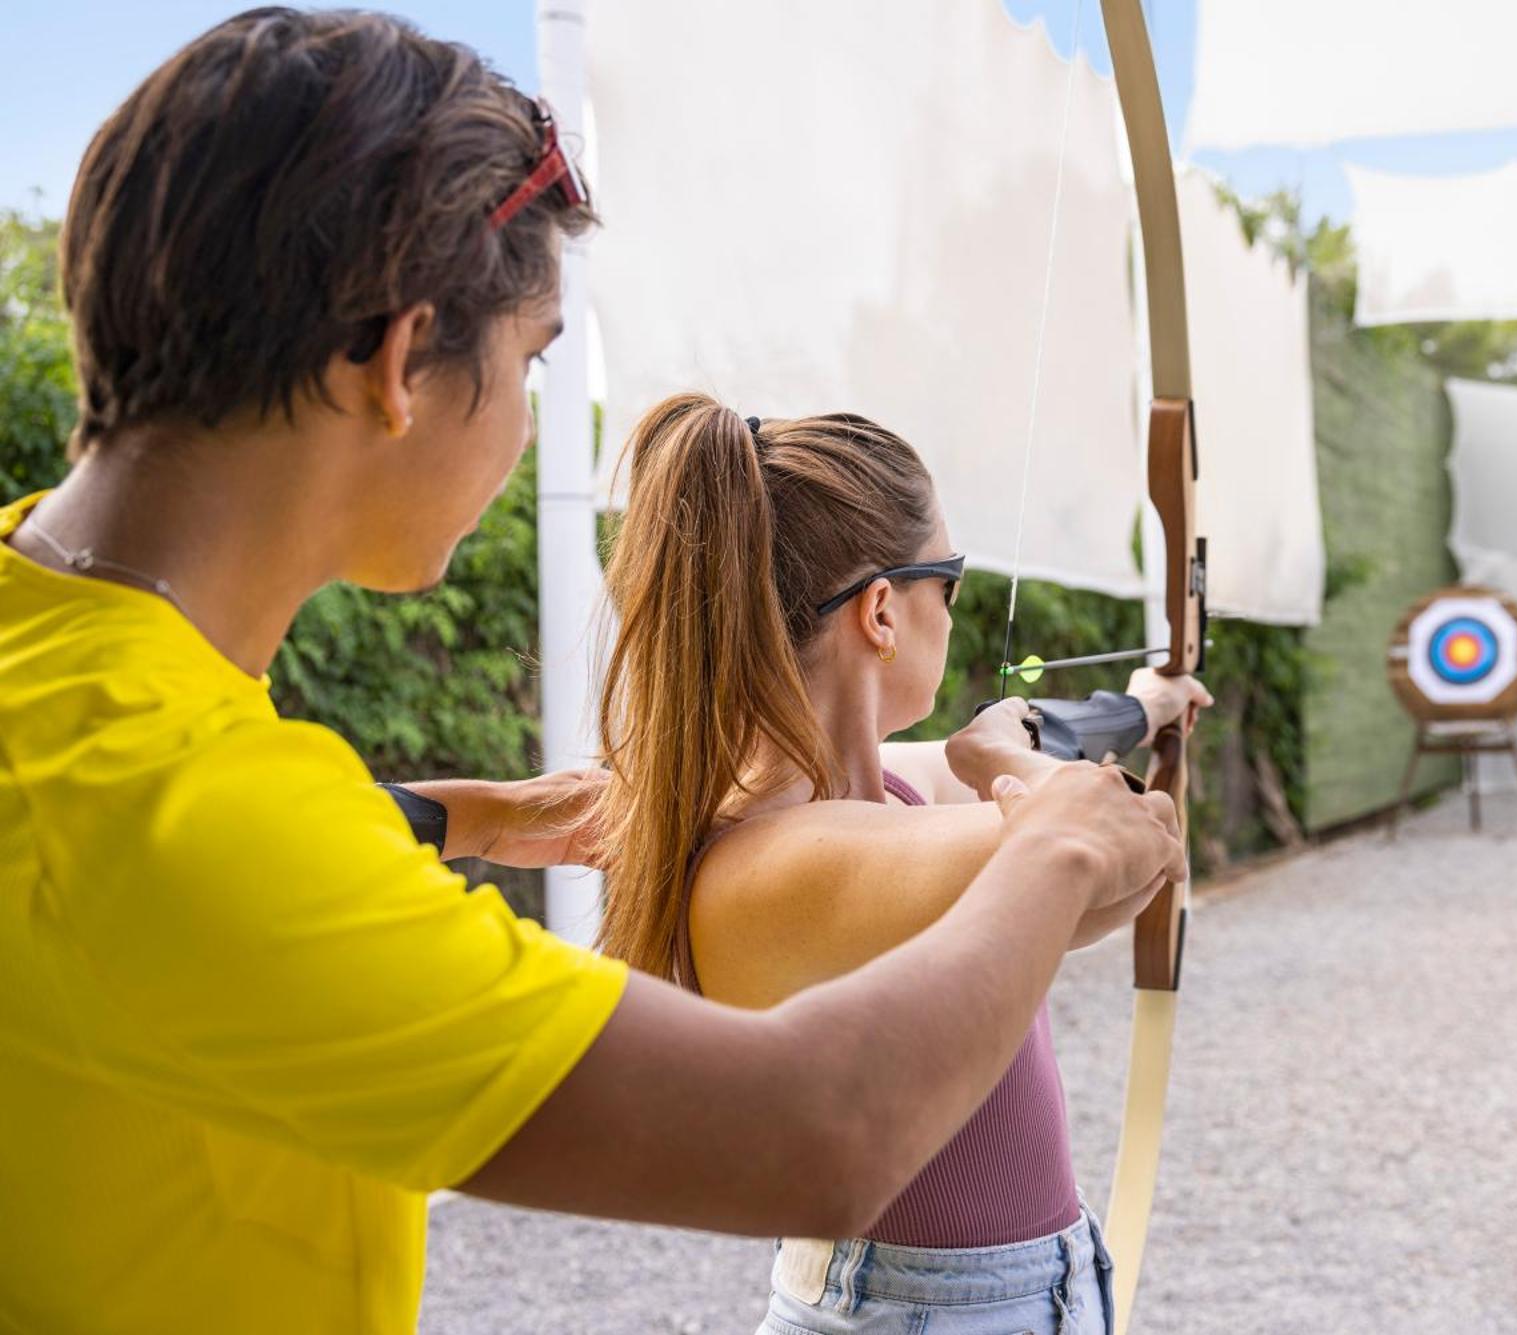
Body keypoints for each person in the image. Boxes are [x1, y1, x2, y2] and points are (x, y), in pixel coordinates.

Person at [0, 11, 1185, 1334]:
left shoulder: (69, 664)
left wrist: (459, 813)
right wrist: (1067, 846)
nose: (524, 418)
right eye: (532, 357)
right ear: (405, 362)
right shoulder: (192, 813)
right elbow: (820, 1128)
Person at [589, 395, 1211, 1335]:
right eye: (950, 584)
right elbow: (1127, 839)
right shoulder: (794, 857)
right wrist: (1002, 756)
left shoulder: (862, 800)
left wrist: (1145, 706)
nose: (956, 614)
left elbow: (1051, 760)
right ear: (882, 609)